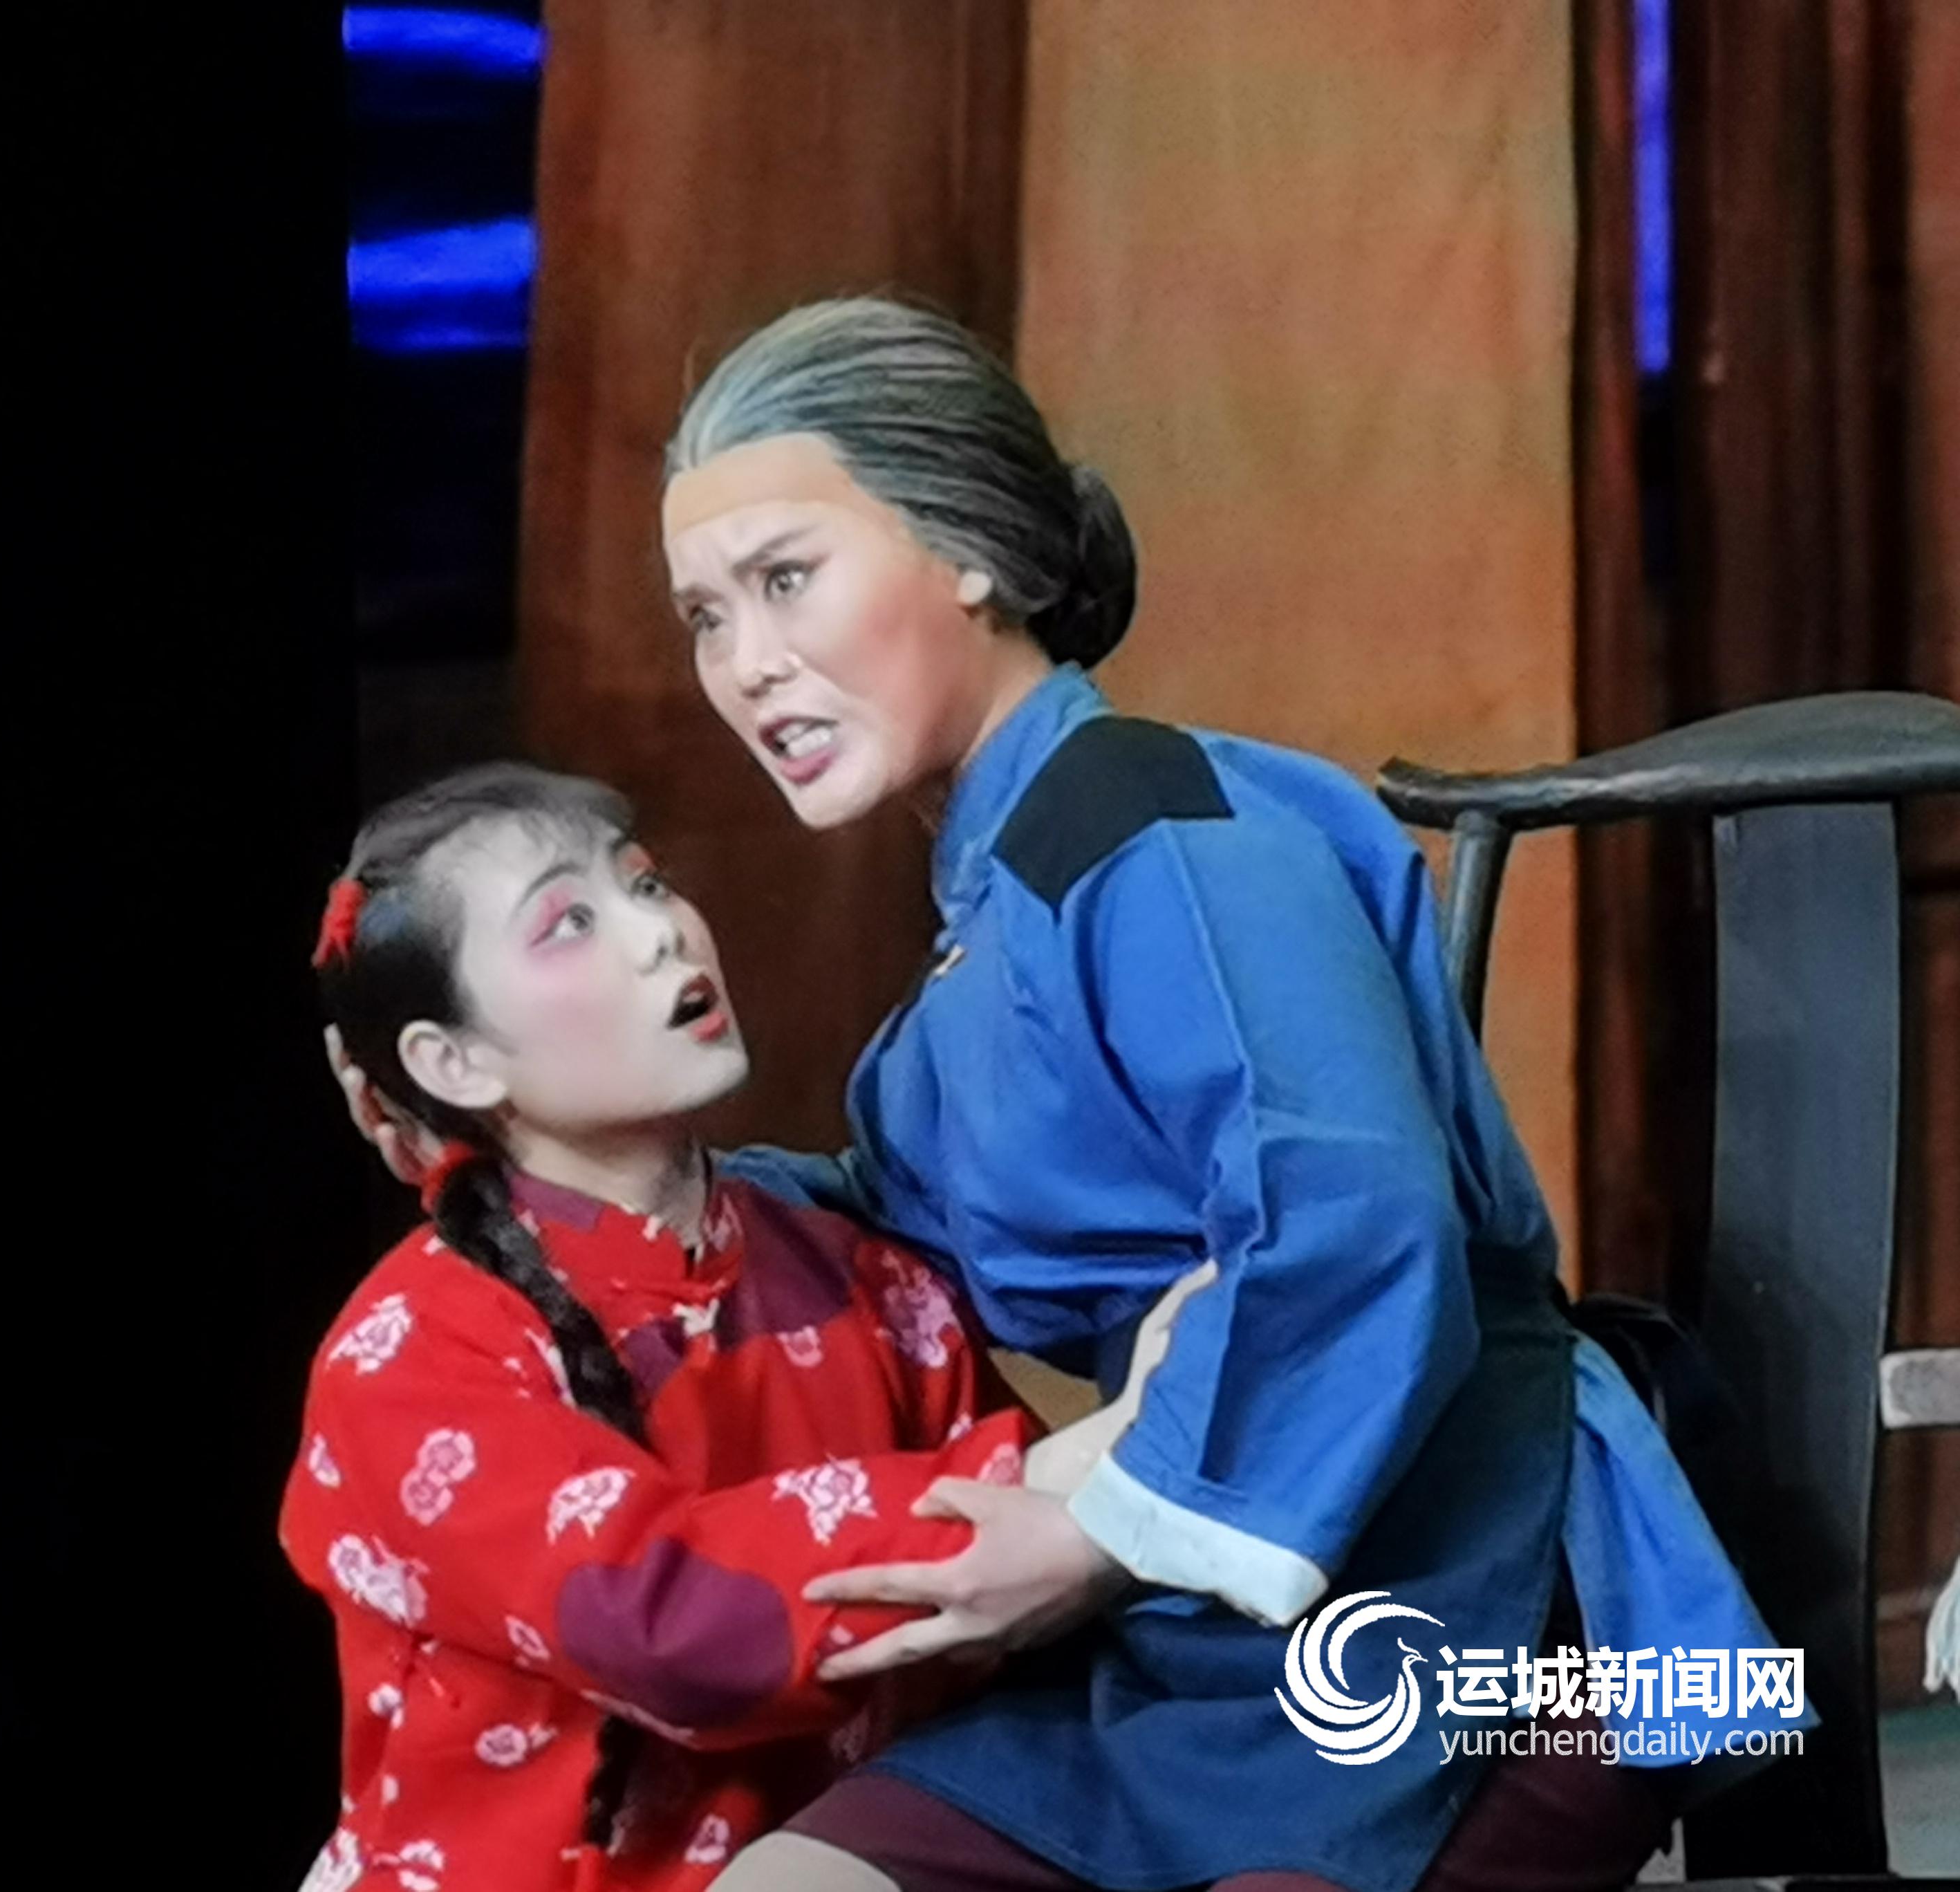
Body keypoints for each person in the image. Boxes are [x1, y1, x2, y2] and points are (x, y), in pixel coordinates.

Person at [331, 299, 1807, 1892]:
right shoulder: (987, 936)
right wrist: (551, 1172)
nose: (747, 666)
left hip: (1497, 1602)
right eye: (707, 616)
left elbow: (1351, 1218)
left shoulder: (1158, 839)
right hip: (1203, 1625)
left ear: (965, 552)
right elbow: (886, 1228)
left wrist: (1101, 1529)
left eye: (787, 579)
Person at [284, 761, 1123, 1892]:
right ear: (456, 1061)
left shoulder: (863, 1277)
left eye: (644, 883)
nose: (660, 933)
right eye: (569, 922)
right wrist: (1099, 1458)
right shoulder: (411, 1353)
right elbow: (671, 1627)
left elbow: (1033, 1605)